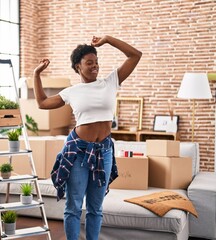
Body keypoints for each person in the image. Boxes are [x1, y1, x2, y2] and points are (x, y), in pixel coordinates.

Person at [32, 35, 142, 240]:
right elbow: (42, 103)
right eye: (89, 63)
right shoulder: (72, 91)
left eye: (96, 62)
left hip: (104, 152)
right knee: (73, 206)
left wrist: (108, 39)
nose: (95, 67)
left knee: (96, 208)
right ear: (77, 67)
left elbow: (135, 55)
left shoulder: (110, 82)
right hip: (78, 151)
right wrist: (36, 74)